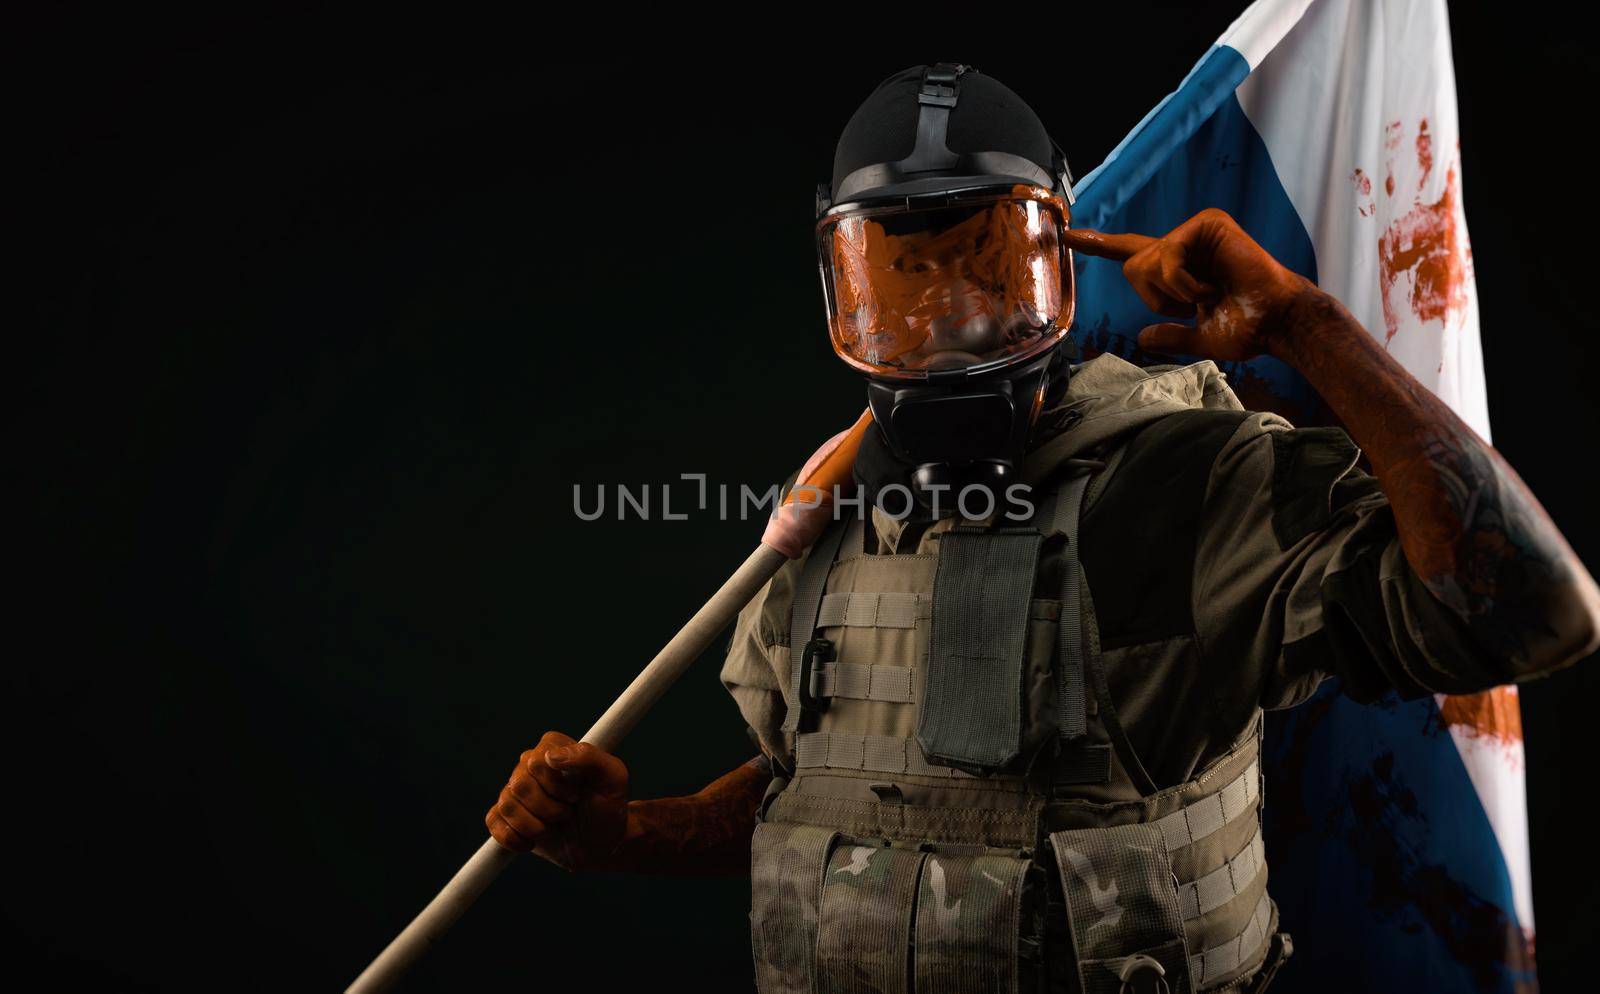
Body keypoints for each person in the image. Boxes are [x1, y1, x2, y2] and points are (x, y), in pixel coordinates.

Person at [484, 65, 1600, 993]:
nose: (944, 317)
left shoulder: (1178, 486)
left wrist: (1305, 325)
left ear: (1059, 263)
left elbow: (1536, 615)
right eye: (898, 276)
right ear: (840, 289)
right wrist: (625, 839)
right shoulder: (827, 508)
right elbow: (821, 790)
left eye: (985, 265)